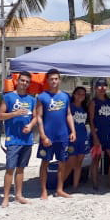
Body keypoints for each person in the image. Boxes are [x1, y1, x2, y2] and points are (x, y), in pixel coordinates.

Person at [0, 71, 38, 207]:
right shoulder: (8, 97)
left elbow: (36, 117)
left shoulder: (32, 99)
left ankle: (19, 195)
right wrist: (14, 114)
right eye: (22, 80)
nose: (24, 83)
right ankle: (6, 197)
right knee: (10, 168)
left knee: (21, 169)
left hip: (26, 139)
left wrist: (30, 125)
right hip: (13, 139)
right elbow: (0, 116)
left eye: (27, 81)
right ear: (17, 81)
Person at [36, 69, 75, 199]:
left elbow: (68, 114)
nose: (54, 81)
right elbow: (39, 117)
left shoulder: (65, 96)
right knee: (45, 163)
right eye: (51, 79)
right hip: (48, 136)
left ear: (59, 80)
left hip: (62, 136)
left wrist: (73, 131)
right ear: (47, 80)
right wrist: (43, 136)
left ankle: (60, 189)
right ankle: (43, 190)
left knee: (62, 162)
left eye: (56, 79)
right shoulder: (42, 96)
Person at [89, 78, 110, 189]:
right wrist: (95, 137)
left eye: (104, 86)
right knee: (96, 159)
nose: (102, 88)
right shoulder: (93, 102)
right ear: (95, 88)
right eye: (99, 86)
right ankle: (95, 183)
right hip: (98, 134)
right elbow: (91, 121)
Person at [66, 86, 90, 191]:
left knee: (79, 163)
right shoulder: (69, 107)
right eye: (78, 93)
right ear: (74, 94)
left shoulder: (85, 108)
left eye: (83, 94)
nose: (81, 96)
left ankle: (75, 186)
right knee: (70, 163)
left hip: (83, 137)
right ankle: (60, 186)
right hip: (71, 138)